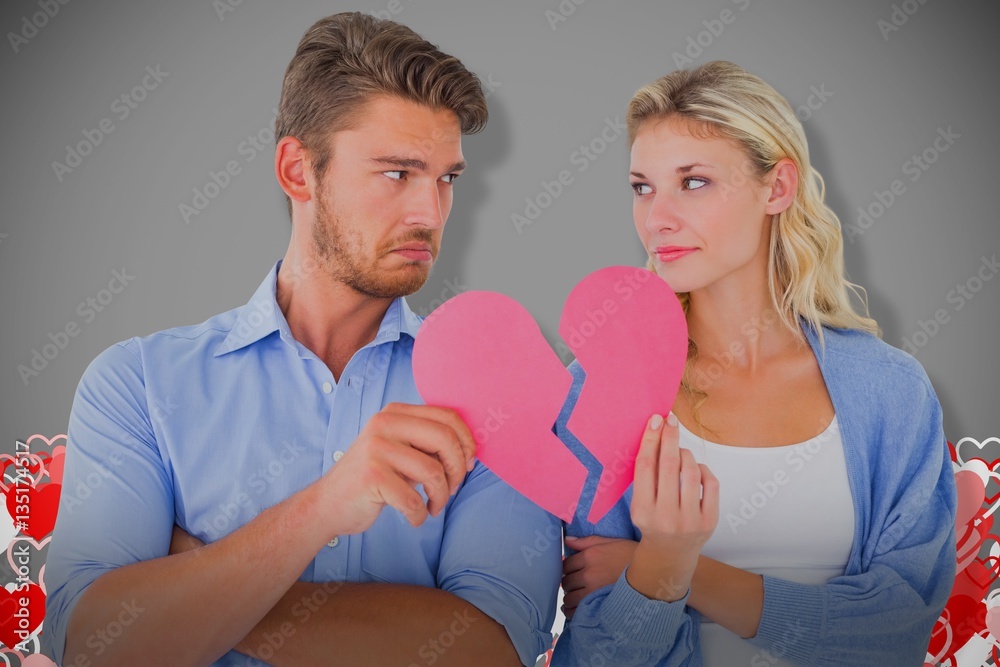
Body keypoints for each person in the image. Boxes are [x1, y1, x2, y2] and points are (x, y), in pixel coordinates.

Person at [43, 13, 560, 667]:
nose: (430, 213)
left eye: (446, 178)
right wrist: (324, 507)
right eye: (398, 173)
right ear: (297, 170)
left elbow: (490, 651)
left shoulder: (499, 394)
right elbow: (92, 644)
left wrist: (200, 582)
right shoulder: (138, 384)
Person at [551, 60, 957, 666]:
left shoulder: (890, 391)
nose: (656, 217)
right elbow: (594, 656)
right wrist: (663, 561)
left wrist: (671, 567)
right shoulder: (600, 389)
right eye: (642, 186)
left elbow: (896, 631)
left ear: (778, 187)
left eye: (693, 182)